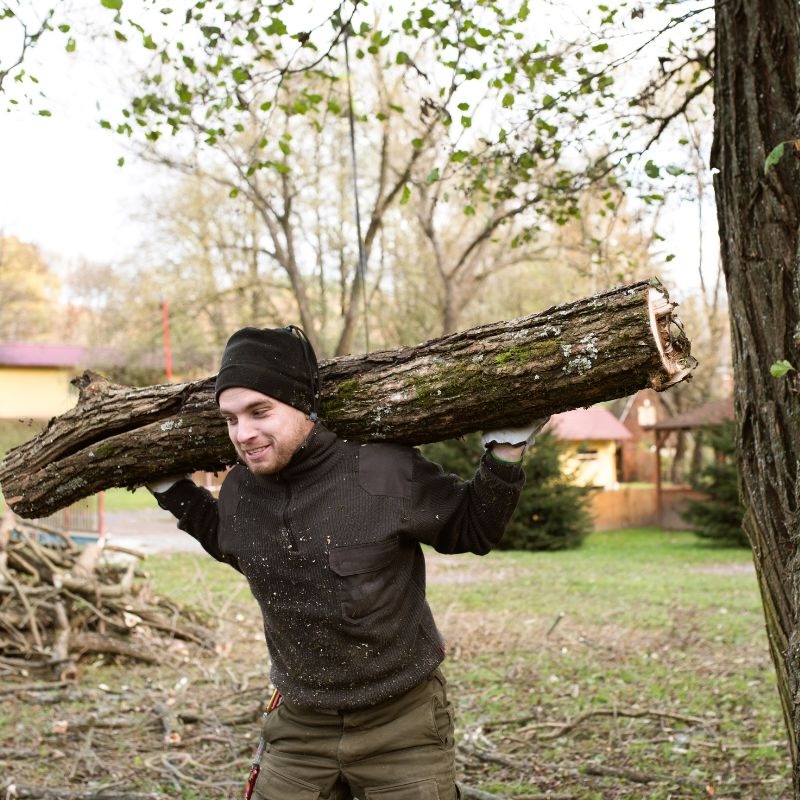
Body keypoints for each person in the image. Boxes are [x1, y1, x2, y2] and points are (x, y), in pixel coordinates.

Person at [148, 325, 547, 800]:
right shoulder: (241, 491)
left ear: (302, 404)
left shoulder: (380, 470)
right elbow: (232, 543)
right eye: (231, 419)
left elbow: (471, 528)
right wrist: (173, 492)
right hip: (298, 726)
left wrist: (506, 454)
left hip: (402, 724)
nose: (244, 433)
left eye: (260, 411)